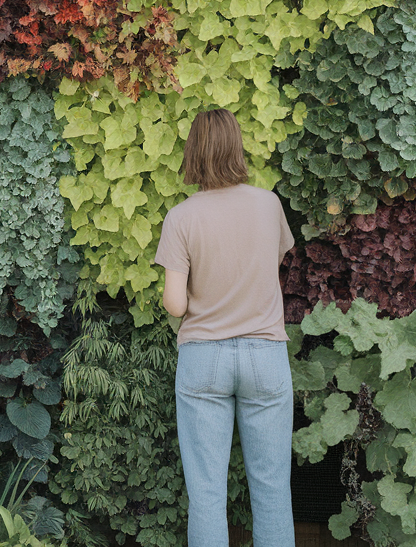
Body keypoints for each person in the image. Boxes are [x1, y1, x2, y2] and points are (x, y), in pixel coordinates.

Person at [154, 108, 296, 547]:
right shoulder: (268, 204)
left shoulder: (181, 217)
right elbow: (269, 268)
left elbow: (175, 305)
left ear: (193, 152)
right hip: (266, 355)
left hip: (204, 359)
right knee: (272, 493)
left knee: (207, 495)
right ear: (236, 146)